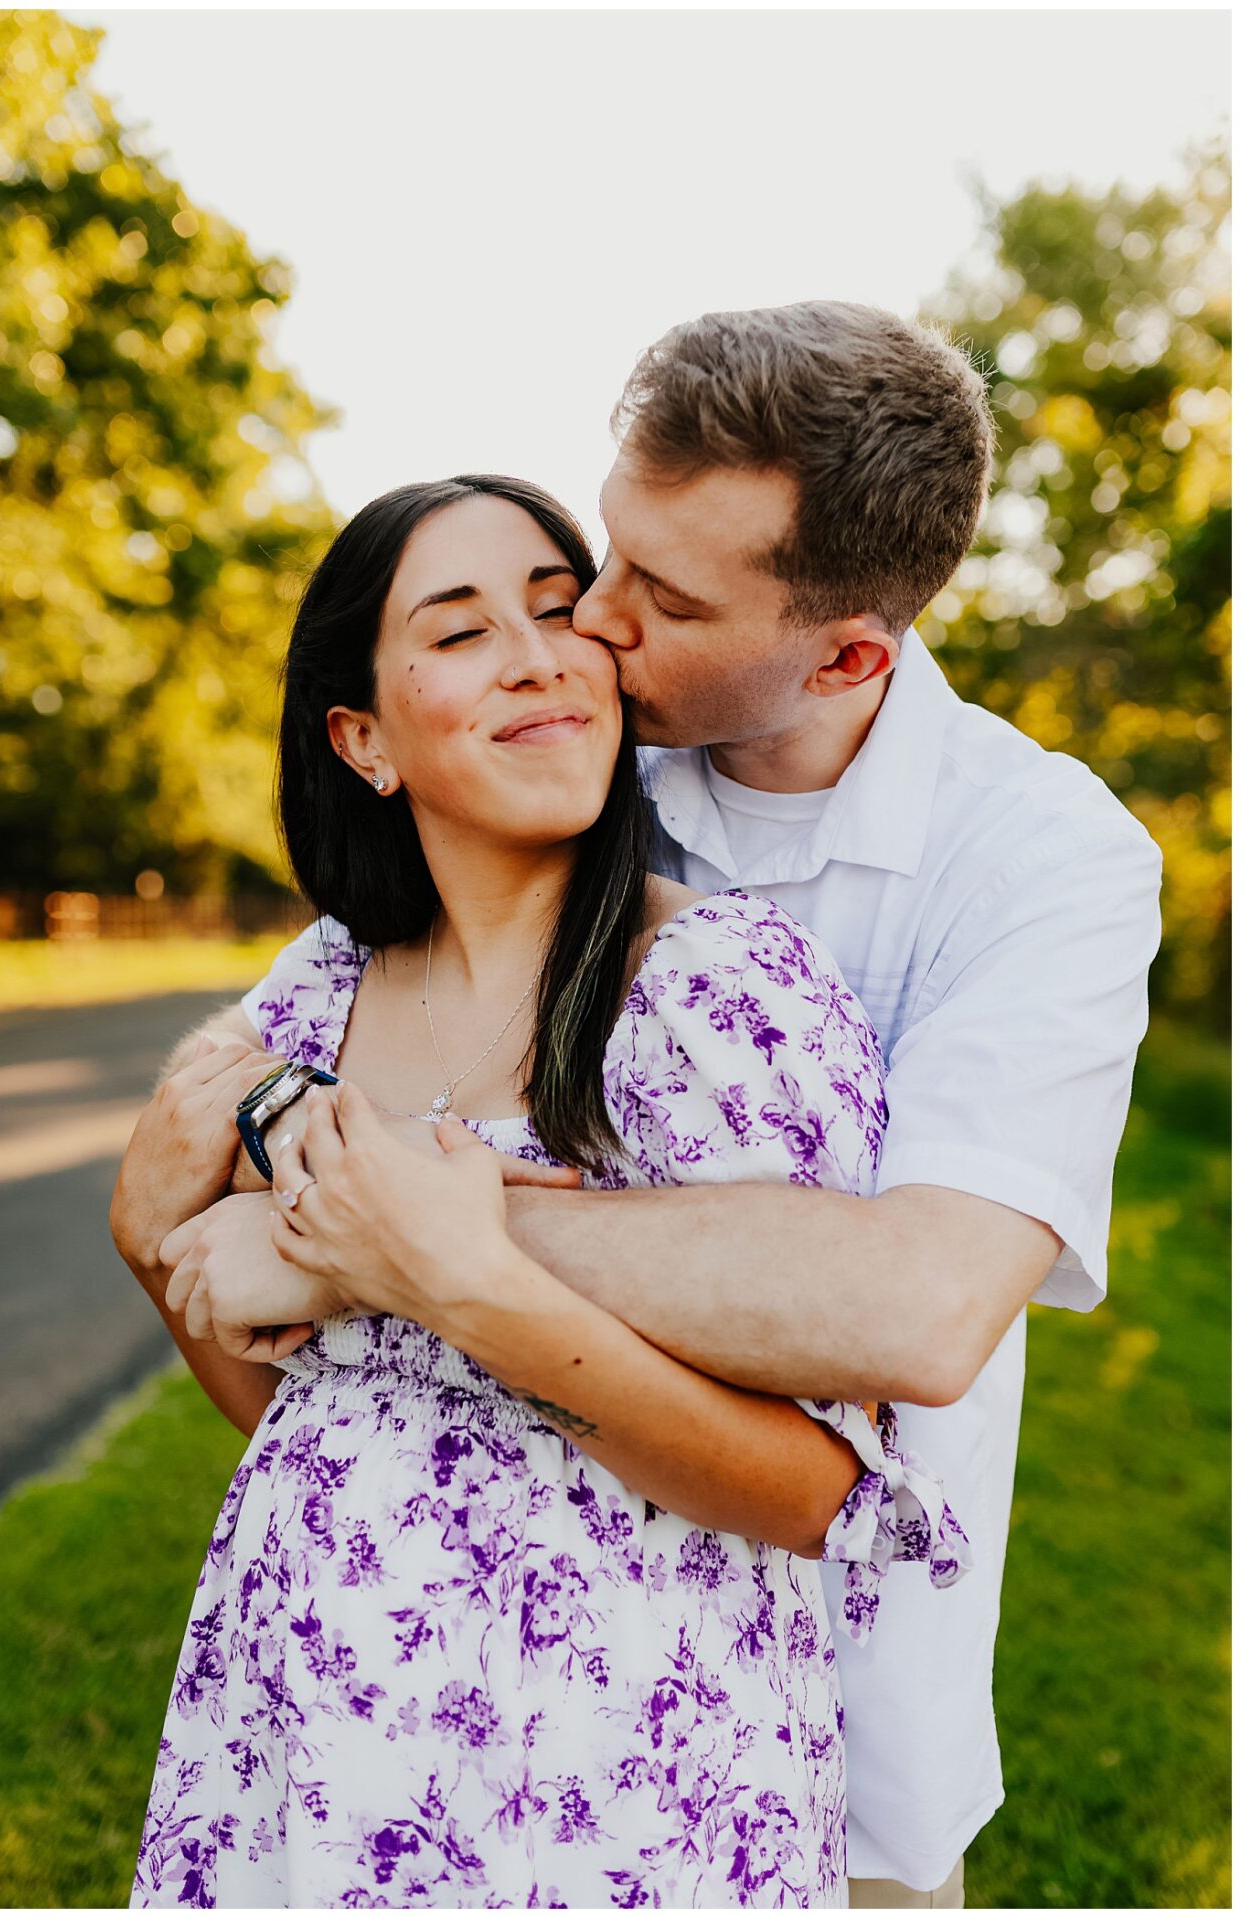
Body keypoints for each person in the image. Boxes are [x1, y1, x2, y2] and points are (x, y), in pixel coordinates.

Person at [115, 303, 1162, 1906]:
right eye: (599, 555)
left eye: (651, 596)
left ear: (847, 655)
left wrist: (375, 1229)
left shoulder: (1037, 862)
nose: (586, 626)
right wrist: (224, 1192)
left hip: (777, 1737)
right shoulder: (571, 766)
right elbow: (250, 1132)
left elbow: (914, 1305)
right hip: (354, 1758)